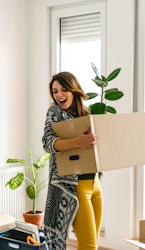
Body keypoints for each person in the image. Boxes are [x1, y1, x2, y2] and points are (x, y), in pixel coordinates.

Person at [42, 71, 103, 250]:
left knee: (94, 241)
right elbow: (47, 142)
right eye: (54, 91)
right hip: (75, 187)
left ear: (73, 89)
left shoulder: (86, 114)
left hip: (95, 183)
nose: (59, 95)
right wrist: (78, 141)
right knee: (89, 245)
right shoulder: (55, 112)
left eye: (63, 89)